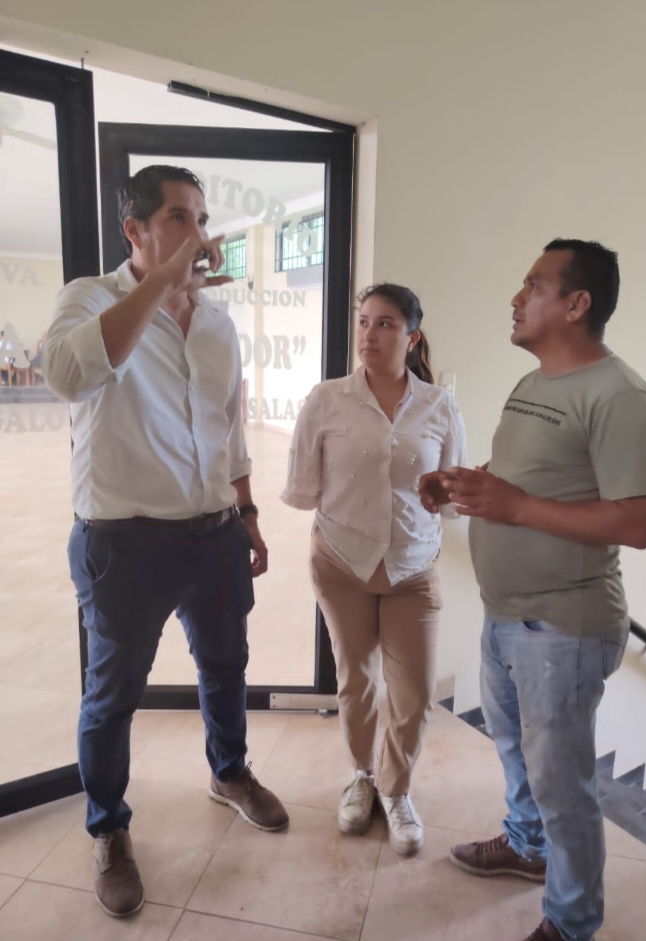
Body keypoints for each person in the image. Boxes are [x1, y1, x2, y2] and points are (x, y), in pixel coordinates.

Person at [43, 165, 288, 919]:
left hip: (213, 535)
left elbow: (228, 425)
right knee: (112, 696)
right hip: (124, 545)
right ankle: (109, 829)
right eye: (180, 217)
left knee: (226, 665)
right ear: (136, 231)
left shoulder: (215, 324)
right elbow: (67, 373)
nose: (198, 233)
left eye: (202, 218)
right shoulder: (91, 298)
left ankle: (229, 771)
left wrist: (247, 512)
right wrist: (159, 287)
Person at [420, 239, 646, 941]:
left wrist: (517, 505)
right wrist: (466, 484)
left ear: (577, 303)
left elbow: (638, 522)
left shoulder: (621, 397)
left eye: (533, 285)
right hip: (506, 616)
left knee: (563, 786)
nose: (516, 297)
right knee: (515, 753)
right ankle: (528, 848)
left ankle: (572, 921)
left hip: (565, 627)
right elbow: (526, 477)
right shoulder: (533, 384)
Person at [282, 283, 466, 855]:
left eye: (385, 324)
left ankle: (397, 788)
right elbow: (304, 488)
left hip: (413, 567)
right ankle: (362, 777)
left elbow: (450, 494)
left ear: (411, 338)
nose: (369, 334)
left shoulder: (440, 406)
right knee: (355, 679)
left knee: (415, 693)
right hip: (342, 563)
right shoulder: (326, 399)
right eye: (364, 321)